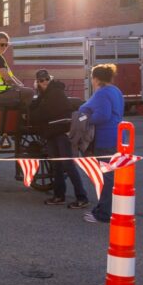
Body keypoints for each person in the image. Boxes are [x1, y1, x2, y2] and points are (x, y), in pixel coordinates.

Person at [28, 70, 89, 209]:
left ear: (50, 79)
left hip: (61, 132)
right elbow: (36, 108)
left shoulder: (55, 92)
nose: (44, 82)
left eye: (46, 79)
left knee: (68, 164)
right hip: (52, 133)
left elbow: (42, 112)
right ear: (37, 82)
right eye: (41, 80)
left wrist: (33, 114)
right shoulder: (44, 95)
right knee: (56, 165)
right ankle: (59, 196)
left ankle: (82, 197)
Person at [82, 64, 125, 224]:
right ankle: (105, 209)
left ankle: (104, 213)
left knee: (107, 178)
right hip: (118, 136)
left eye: (92, 78)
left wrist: (85, 120)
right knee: (112, 177)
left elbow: (102, 116)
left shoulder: (102, 93)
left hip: (105, 138)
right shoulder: (116, 90)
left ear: (97, 79)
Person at [0, 31, 34, 106]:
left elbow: (11, 76)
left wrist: (20, 85)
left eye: (6, 45)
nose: (4, 47)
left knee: (24, 90)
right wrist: (18, 87)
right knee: (30, 92)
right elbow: (7, 78)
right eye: (2, 44)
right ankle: (23, 115)